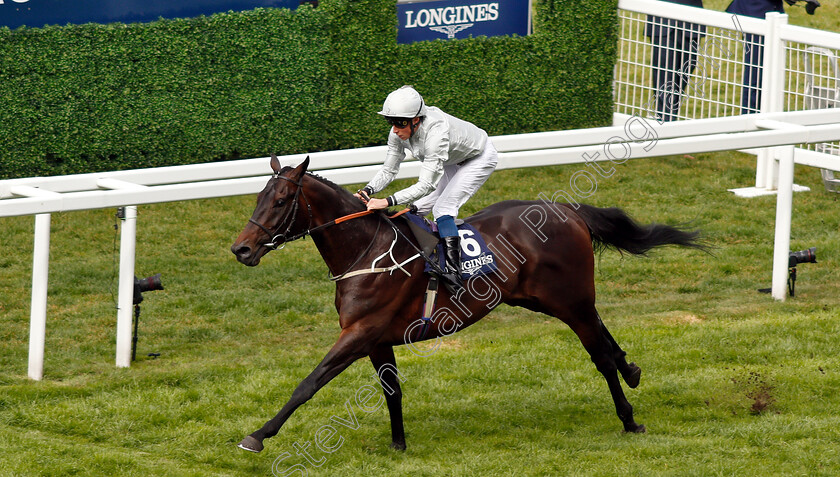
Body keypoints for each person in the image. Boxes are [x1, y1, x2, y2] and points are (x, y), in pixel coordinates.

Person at [355, 85, 498, 289]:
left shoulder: (436, 134)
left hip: (479, 158)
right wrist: (366, 191)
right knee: (418, 207)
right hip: (452, 160)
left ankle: (454, 273)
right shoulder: (398, 132)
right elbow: (389, 170)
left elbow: (426, 184)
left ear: (416, 120)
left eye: (400, 123)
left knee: (443, 209)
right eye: (391, 122)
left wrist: (387, 201)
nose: (395, 129)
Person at [645, 0, 706, 122]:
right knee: (665, 79)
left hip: (691, 20)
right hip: (662, 18)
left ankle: (667, 120)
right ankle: (665, 123)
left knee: (684, 73)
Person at [726, 0, 785, 114]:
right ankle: (749, 117)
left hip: (770, 12)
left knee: (768, 72)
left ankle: (760, 114)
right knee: (756, 73)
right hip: (755, 12)